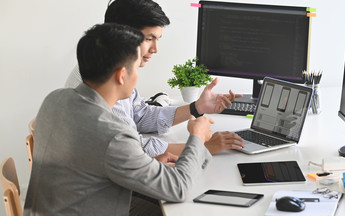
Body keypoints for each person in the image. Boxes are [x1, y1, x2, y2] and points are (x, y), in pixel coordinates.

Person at [24, 23, 214, 215]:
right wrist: (197, 137)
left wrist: (141, 164)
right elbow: (178, 188)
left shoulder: (54, 99)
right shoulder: (113, 135)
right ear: (122, 75)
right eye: (136, 68)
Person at [65, 0, 244, 157]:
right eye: (149, 39)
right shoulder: (105, 80)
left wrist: (196, 107)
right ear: (122, 36)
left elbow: (140, 114)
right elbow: (134, 149)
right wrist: (200, 146)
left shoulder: (109, 65)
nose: (155, 49)